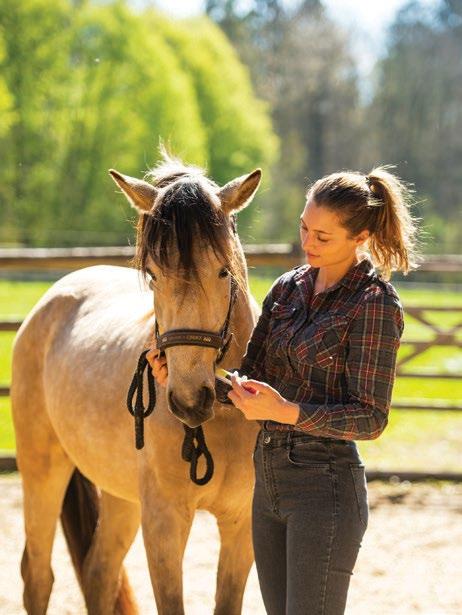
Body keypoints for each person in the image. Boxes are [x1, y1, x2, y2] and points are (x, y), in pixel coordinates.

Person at [147, 166, 420, 614]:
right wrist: (194, 382)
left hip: (323, 490)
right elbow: (248, 381)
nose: (308, 242)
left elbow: (371, 417)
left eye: (323, 236)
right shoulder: (287, 289)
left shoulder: (373, 303)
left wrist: (287, 411)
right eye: (304, 228)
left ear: (361, 237)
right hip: (267, 488)